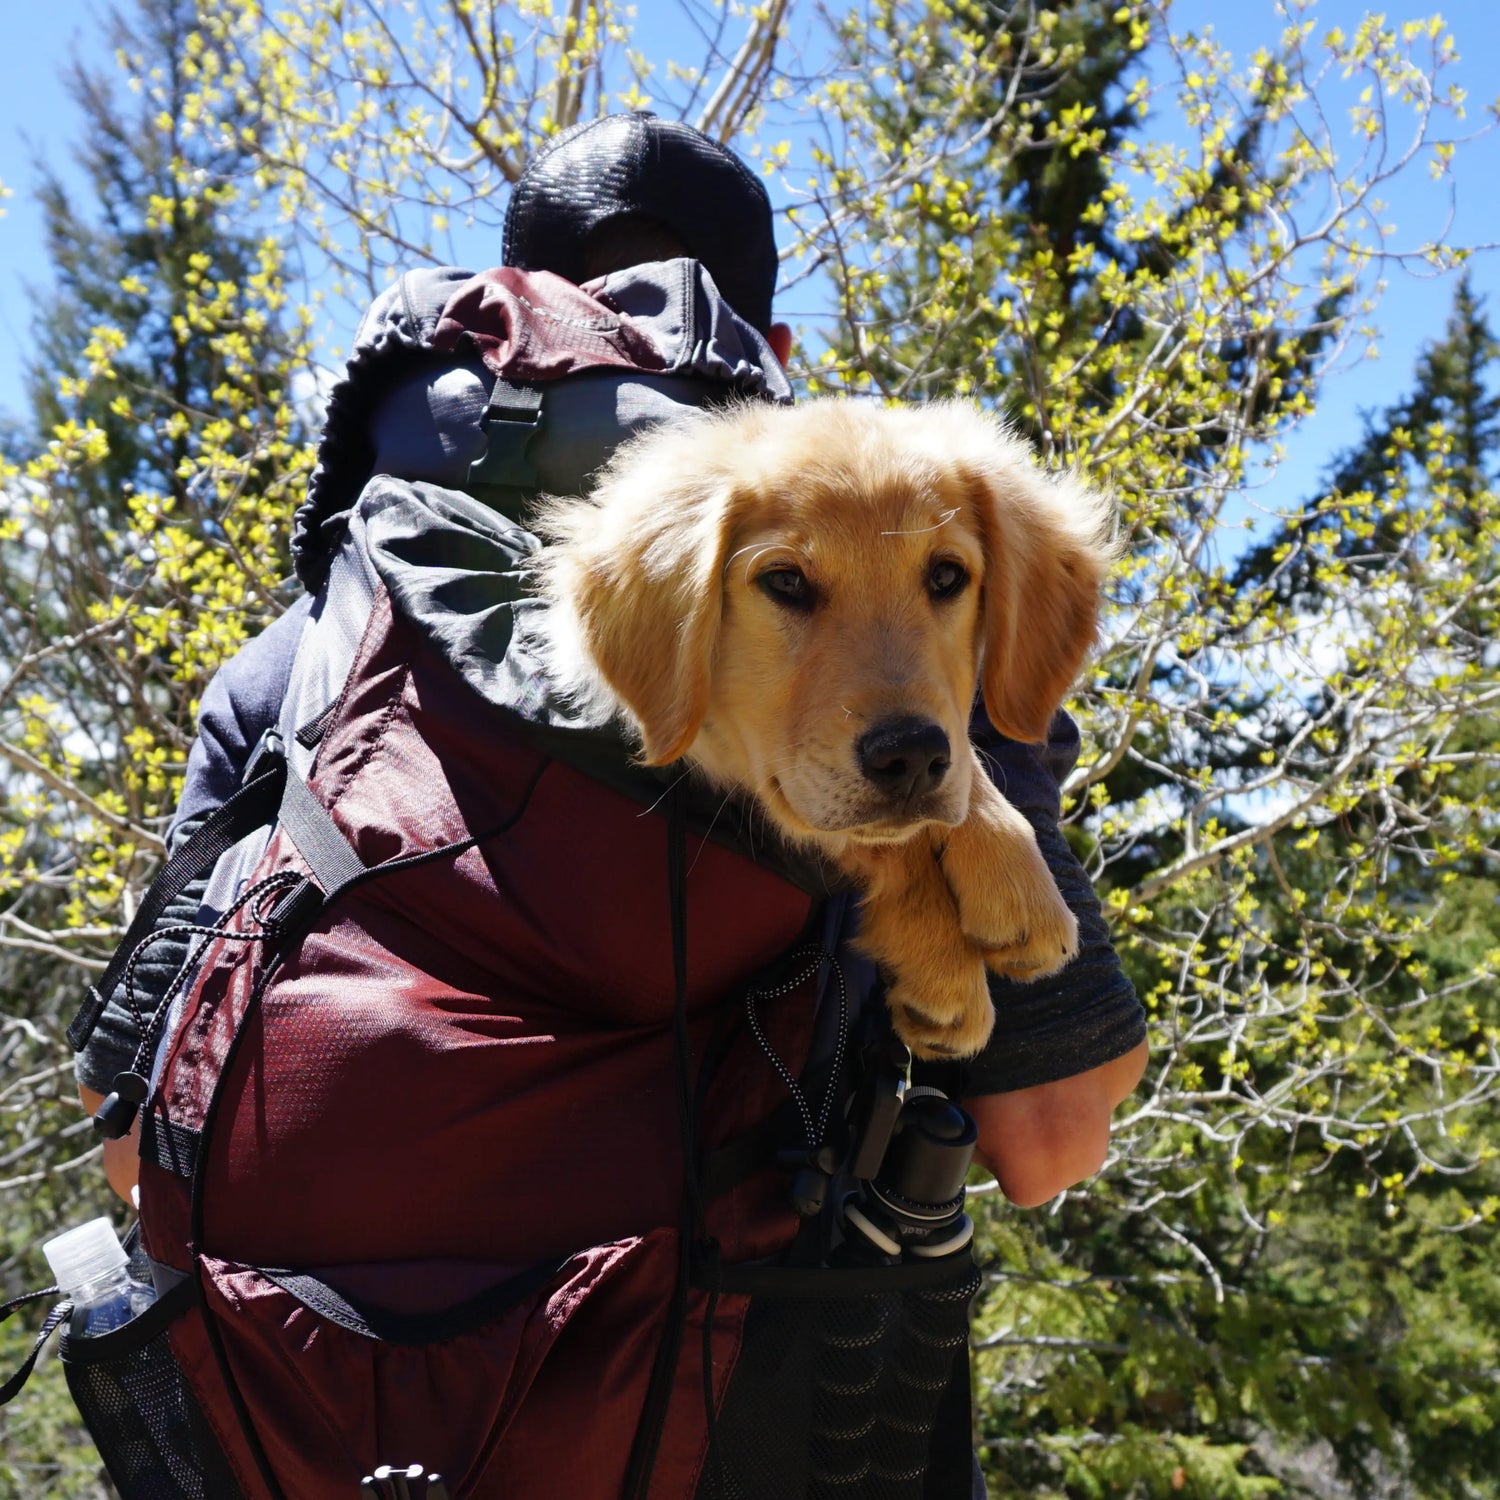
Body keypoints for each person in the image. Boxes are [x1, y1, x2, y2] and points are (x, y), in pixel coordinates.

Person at [73, 112, 1146, 1494]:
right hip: (728, 1421)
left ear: (513, 319)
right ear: (774, 357)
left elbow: (125, 1143)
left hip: (302, 1427)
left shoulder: (305, 657)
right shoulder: (904, 629)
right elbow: (1049, 1140)